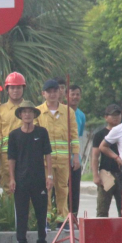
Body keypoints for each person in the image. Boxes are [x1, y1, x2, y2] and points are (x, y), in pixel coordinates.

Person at [7, 101, 53, 243]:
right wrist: (12, 178)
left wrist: (49, 176)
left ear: (34, 114)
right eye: (24, 112)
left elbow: (48, 154)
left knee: (41, 212)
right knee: (21, 213)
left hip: (39, 179)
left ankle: (41, 242)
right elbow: (11, 158)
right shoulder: (14, 135)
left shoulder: (42, 132)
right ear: (20, 115)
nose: (27, 114)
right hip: (21, 179)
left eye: (30, 112)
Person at [35, 79, 79, 227]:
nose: (52, 94)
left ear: (60, 92)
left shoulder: (68, 112)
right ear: (43, 94)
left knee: (63, 188)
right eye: (49, 92)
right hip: (44, 160)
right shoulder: (38, 112)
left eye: (55, 91)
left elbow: (74, 135)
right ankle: (45, 219)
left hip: (63, 159)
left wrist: (76, 156)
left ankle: (62, 218)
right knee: (45, 188)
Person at [0, 72, 27, 195]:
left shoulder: (29, 109)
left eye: (18, 87)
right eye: (12, 88)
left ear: (23, 88)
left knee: (26, 187)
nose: (15, 91)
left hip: (25, 154)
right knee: (8, 189)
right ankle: (10, 209)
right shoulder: (1, 110)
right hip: (5, 156)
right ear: (7, 90)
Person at [91, 104, 122, 217]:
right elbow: (95, 156)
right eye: (112, 115)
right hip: (106, 173)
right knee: (102, 209)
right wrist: (95, 175)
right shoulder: (100, 135)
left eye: (118, 115)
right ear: (106, 117)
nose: (116, 117)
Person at [68, 85, 85, 216]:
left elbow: (77, 137)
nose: (75, 97)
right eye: (72, 94)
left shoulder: (81, 115)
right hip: (60, 159)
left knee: (74, 191)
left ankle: (73, 218)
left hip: (75, 159)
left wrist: (76, 156)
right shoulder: (62, 112)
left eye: (77, 94)